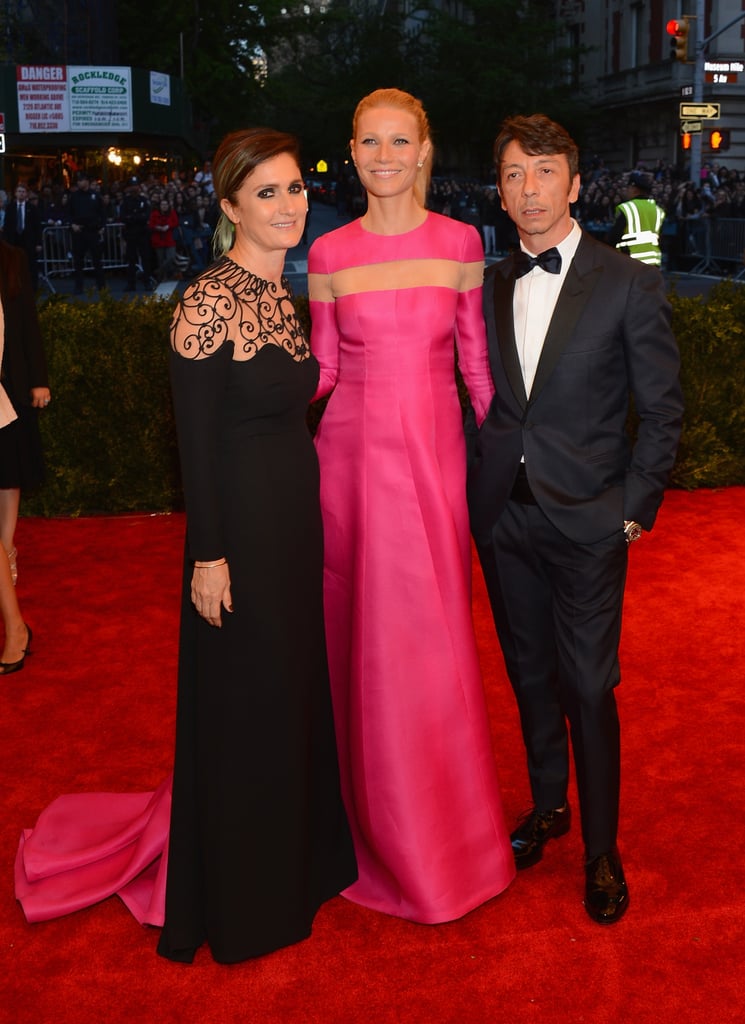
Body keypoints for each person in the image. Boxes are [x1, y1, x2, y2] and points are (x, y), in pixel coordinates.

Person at [15, 128, 357, 964]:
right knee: (245, 703)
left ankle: (300, 862)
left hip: (291, 520)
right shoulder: (207, 300)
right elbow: (194, 445)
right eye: (267, 193)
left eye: (294, 189)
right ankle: (246, 898)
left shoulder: (286, 293)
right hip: (236, 531)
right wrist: (208, 556)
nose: (288, 205)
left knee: (288, 692)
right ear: (230, 205)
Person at [467, 114, 683, 925]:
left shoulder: (625, 282)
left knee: (588, 685)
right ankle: (549, 808)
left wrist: (632, 513)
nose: (529, 189)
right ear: (500, 188)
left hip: (591, 521)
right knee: (528, 677)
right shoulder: (490, 282)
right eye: (515, 174)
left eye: (544, 172)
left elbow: (661, 411)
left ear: (574, 184)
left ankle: (600, 848)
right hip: (504, 520)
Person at [307, 87, 515, 924]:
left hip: (433, 470)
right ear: (351, 152)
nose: (384, 156)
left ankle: (442, 836)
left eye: (400, 142)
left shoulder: (462, 242)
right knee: (354, 644)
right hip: (345, 471)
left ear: (424, 151)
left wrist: (522, 465)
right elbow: (320, 372)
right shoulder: (326, 252)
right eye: (370, 142)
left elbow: (476, 374)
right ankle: (360, 823)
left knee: (429, 645)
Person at [0, 241, 50, 672]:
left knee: (8, 473)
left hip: (5, 389)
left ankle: (15, 628)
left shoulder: (10, 259)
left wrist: (37, 379)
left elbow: (25, 324)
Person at [606, 171, 665, 266]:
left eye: (628, 188)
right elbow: (661, 237)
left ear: (635, 190)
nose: (626, 190)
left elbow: (614, 236)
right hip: (653, 261)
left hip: (631, 260)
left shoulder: (627, 208)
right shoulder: (658, 210)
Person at [68, 173, 105, 293]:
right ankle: (79, 286)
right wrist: (72, 224)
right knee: (78, 260)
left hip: (93, 230)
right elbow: (68, 213)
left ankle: (101, 286)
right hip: (79, 230)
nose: (79, 183)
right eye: (78, 181)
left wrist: (102, 226)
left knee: (97, 260)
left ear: (87, 182)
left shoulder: (95, 195)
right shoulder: (73, 196)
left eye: (81, 180)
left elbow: (102, 212)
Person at [3, 184, 43, 290]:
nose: (21, 193)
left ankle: (33, 287)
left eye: (23, 191)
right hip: (14, 240)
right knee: (14, 264)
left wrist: (39, 243)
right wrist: (6, 242)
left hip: (28, 240)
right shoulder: (10, 208)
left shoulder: (32, 208)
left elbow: (37, 227)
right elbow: (7, 225)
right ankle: (14, 286)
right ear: (15, 194)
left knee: (30, 264)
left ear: (26, 194)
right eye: (19, 191)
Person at [119, 177, 152, 291]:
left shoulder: (143, 200)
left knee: (145, 258)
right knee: (131, 259)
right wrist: (136, 217)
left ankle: (147, 282)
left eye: (136, 185)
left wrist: (133, 217)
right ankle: (131, 283)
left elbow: (146, 216)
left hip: (142, 233)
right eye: (132, 185)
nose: (134, 187)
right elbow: (123, 217)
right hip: (131, 233)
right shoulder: (126, 201)